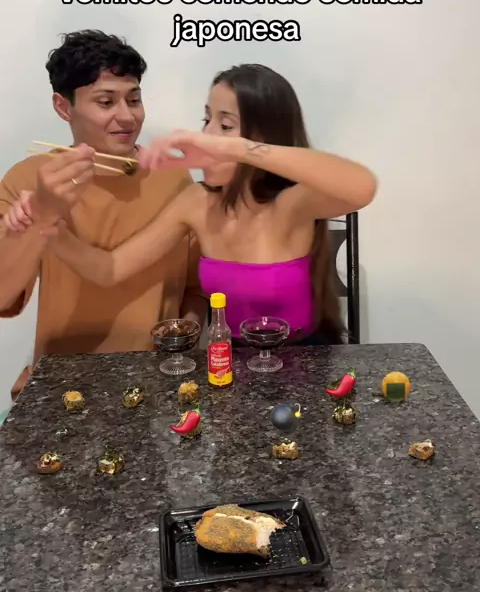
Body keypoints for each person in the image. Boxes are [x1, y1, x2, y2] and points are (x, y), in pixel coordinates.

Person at [4, 63, 377, 345]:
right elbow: (110, 269)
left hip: (302, 365)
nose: (206, 136)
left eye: (225, 125)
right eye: (207, 120)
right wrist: (47, 226)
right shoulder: (196, 201)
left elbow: (362, 187)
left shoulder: (291, 202)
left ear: (259, 138)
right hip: (227, 366)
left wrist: (238, 149)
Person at [0, 30, 205, 401]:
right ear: (64, 107)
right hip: (65, 385)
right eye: (106, 101)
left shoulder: (172, 175)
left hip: (158, 382)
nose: (126, 117)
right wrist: (40, 215)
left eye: (134, 99)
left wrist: (186, 337)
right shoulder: (31, 179)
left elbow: (195, 289)